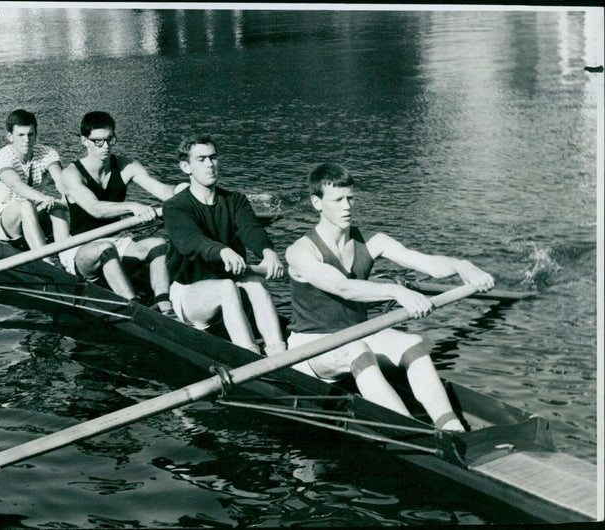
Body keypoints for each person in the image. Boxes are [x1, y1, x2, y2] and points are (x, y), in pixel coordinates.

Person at [284, 162, 495, 432]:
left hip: (357, 334)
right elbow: (343, 287)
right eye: (338, 200)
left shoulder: (373, 241)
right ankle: (411, 432)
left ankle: (452, 428)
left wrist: (460, 265)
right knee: (359, 351)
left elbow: (427, 264)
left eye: (351, 198)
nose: (347, 206)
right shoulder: (300, 251)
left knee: (414, 343)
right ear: (317, 203)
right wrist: (395, 290)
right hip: (312, 345)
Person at [163, 134, 287, 355]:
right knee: (226, 287)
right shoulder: (175, 207)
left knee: (256, 282)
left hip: (228, 285)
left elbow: (251, 230)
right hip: (189, 293)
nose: (210, 164)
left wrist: (268, 252)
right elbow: (191, 241)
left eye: (213, 157)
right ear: (186, 166)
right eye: (201, 159)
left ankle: (278, 352)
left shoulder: (235, 200)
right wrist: (222, 250)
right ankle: (248, 355)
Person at [58, 111, 182, 313]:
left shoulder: (127, 166)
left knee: (159, 244)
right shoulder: (71, 174)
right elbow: (94, 208)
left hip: (118, 240)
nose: (105, 147)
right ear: (84, 141)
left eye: (109, 139)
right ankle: (134, 307)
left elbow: (162, 190)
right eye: (98, 142)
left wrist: (185, 190)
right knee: (105, 248)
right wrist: (132, 206)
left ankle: (164, 303)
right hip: (81, 246)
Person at [0, 109, 70, 263]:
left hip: (34, 212)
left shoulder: (46, 153)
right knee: (25, 205)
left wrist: (70, 197)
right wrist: (42, 197)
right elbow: (15, 184)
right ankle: (46, 262)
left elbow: (61, 181)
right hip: (5, 219)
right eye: (21, 135)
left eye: (31, 134)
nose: (27, 140)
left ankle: (68, 259)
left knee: (58, 207)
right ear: (10, 137)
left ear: (36, 134)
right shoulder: (1, 158)